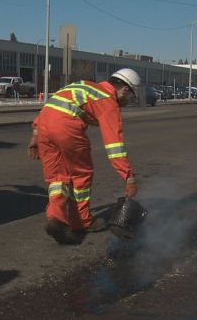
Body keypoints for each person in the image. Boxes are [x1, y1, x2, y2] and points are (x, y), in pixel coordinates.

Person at [27, 68, 140, 244]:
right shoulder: (108, 101)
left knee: (57, 179)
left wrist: (35, 134)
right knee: (82, 174)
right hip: (66, 126)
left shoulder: (85, 86)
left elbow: (52, 104)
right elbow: (114, 145)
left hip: (44, 126)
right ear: (125, 89)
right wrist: (128, 177)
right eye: (130, 96)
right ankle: (81, 221)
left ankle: (55, 219)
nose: (128, 101)